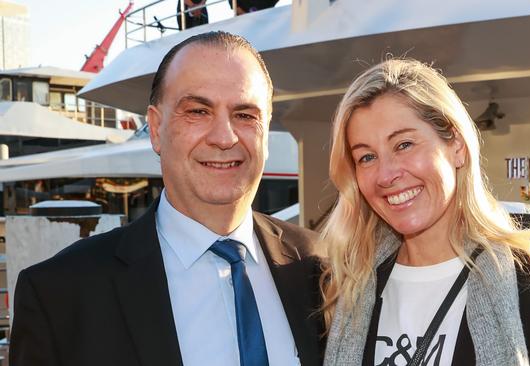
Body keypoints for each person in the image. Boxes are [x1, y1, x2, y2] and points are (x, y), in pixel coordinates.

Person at [10, 31, 324, 366]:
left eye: (246, 115)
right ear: (156, 128)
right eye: (198, 111)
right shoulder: (60, 294)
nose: (224, 137)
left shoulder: (321, 267)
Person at [320, 59, 530, 366]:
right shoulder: (346, 284)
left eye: (404, 144)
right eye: (366, 157)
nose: (385, 174)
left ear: (456, 145)